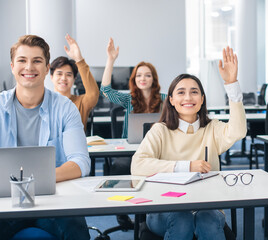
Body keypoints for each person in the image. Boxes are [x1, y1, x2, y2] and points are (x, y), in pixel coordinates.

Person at [131, 47, 246, 239]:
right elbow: (138, 164)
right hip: (163, 208)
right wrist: (187, 166)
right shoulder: (160, 130)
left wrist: (231, 83)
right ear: (172, 100)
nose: (188, 97)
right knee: (181, 218)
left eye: (194, 92)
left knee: (208, 220)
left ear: (202, 100)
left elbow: (239, 130)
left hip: (206, 206)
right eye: (181, 92)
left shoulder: (213, 128)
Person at [0, 35, 90, 239]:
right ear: (13, 66)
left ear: (47, 67)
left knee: (76, 227)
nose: (29, 67)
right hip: (4, 201)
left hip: (53, 201)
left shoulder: (65, 108)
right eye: (22, 60)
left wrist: (35, 181)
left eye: (37, 61)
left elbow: (81, 162)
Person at [100, 37, 167, 139]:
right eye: (138, 75)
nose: (142, 79)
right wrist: (111, 59)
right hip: (131, 149)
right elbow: (106, 90)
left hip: (158, 145)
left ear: (154, 79)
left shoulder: (165, 99)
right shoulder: (129, 99)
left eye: (148, 75)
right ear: (134, 79)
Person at [50, 34, 99, 132]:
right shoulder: (44, 101)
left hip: (75, 147)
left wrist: (79, 59)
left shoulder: (81, 103)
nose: (63, 78)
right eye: (59, 74)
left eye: (68, 75)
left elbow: (93, 94)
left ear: (74, 78)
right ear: (51, 77)